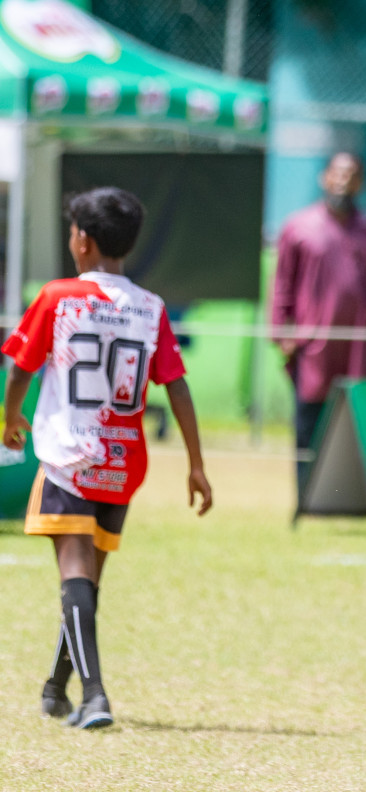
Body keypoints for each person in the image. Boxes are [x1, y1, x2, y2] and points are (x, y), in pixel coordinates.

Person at [1, 187, 213, 729]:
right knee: (88, 582)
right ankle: (55, 689)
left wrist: (9, 418)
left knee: (74, 574)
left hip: (71, 452)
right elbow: (179, 388)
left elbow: (22, 365)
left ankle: (94, 696)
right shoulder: (150, 307)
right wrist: (195, 464)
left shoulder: (58, 296)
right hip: (124, 459)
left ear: (83, 240)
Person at [271, 151, 366, 497]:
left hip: (358, 347)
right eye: (337, 173)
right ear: (324, 178)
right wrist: (282, 333)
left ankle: (360, 497)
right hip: (314, 348)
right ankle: (308, 497)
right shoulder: (298, 227)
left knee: (361, 424)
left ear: (361, 182)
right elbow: (282, 283)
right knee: (310, 423)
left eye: (352, 174)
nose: (343, 181)